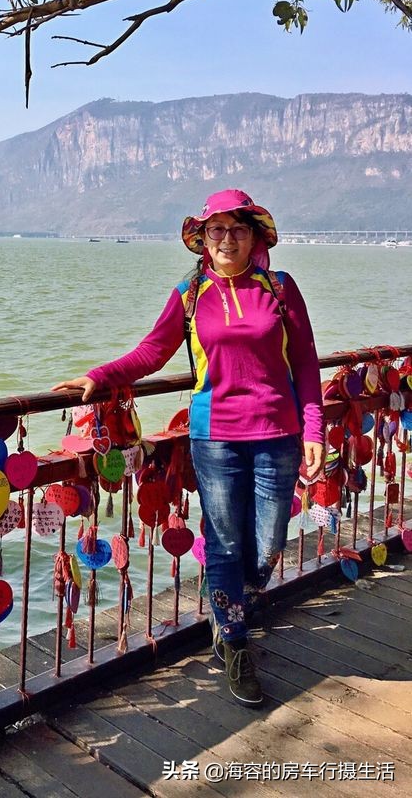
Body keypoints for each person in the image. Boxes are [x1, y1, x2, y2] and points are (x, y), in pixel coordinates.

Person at [53, 188, 325, 707]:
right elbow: (153, 351)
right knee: (223, 544)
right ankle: (235, 640)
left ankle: (228, 608)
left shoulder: (281, 287)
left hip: (278, 435)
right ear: (202, 238)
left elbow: (307, 365)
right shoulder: (190, 291)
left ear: (254, 237)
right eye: (216, 230)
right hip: (215, 436)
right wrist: (100, 375)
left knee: (267, 545)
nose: (227, 238)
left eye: (237, 229)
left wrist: (314, 429)